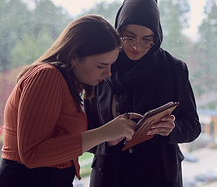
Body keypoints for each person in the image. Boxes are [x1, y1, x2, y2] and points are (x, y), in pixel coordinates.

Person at [0, 14, 141, 187]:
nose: (108, 74)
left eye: (111, 65)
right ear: (74, 56)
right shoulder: (47, 76)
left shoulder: (65, 83)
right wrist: (103, 133)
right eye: (101, 66)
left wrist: (109, 137)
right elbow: (32, 154)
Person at [84, 0, 201, 187]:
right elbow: (85, 130)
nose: (137, 46)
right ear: (118, 31)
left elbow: (193, 126)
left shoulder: (173, 69)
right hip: (111, 174)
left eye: (147, 39)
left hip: (159, 175)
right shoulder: (103, 65)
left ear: (156, 37)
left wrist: (172, 129)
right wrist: (108, 141)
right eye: (129, 37)